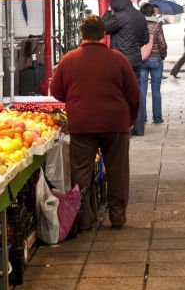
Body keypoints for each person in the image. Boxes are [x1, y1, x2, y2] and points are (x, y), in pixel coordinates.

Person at [50, 16, 139, 231]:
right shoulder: (118, 59)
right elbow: (134, 94)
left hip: (82, 123)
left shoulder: (69, 59)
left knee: (81, 172)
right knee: (117, 171)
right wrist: (130, 119)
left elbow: (56, 91)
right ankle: (117, 217)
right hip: (115, 123)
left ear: (82, 35)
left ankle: (84, 219)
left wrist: (76, 101)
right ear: (104, 35)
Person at [102, 0, 149, 134]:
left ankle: (124, 129)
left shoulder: (120, 17)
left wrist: (108, 12)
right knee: (137, 92)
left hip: (121, 61)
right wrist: (134, 47)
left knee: (122, 94)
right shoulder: (139, 15)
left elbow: (104, 27)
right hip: (135, 60)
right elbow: (145, 39)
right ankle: (139, 128)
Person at [135, 3, 167, 134]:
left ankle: (143, 117)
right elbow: (162, 43)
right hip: (155, 58)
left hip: (141, 59)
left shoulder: (137, 25)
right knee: (156, 89)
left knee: (142, 90)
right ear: (153, 12)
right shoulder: (157, 25)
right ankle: (157, 117)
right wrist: (162, 55)